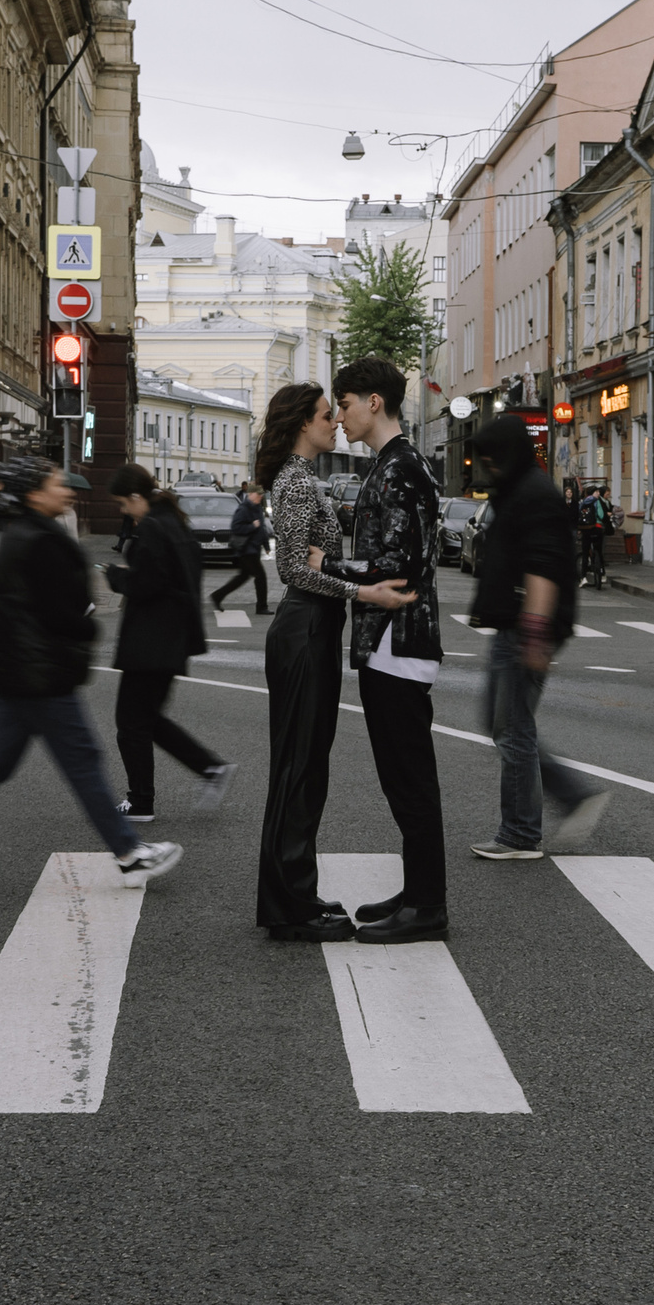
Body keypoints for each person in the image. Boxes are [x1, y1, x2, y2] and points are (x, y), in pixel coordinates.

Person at [0, 459, 182, 894]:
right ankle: (130, 854)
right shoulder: (39, 541)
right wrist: (86, 620)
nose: (67, 489)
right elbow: (62, 612)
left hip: (20, 675)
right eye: (57, 483)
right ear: (36, 493)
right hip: (41, 675)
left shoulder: (23, 534)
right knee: (82, 765)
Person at [252, 384, 408, 941]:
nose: (335, 423)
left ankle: (291, 894)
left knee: (305, 769)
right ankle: (289, 908)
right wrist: (365, 593)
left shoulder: (301, 479)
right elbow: (294, 570)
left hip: (313, 630)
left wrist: (340, 567)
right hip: (304, 630)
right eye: (326, 415)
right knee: (298, 770)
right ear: (301, 424)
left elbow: (315, 561)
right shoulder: (295, 482)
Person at [322, 357, 448, 943]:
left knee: (409, 779)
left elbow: (395, 567)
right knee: (403, 776)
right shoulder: (395, 464)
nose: (339, 417)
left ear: (374, 402)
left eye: (344, 404)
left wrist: (327, 565)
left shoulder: (400, 469)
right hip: (392, 641)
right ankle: (417, 893)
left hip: (398, 641)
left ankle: (427, 908)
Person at [463, 414, 608, 861]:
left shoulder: (533, 494)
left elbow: (543, 569)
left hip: (527, 626)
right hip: (516, 623)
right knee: (502, 723)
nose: (487, 465)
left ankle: (521, 834)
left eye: (491, 456)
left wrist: (535, 634)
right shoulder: (519, 489)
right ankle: (568, 797)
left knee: (512, 729)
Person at [103, 463, 232, 822]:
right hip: (171, 639)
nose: (123, 511)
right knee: (148, 720)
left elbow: (148, 584)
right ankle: (209, 768)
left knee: (130, 724)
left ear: (134, 497)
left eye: (123, 504)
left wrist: (115, 577)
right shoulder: (174, 522)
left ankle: (141, 801)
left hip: (150, 642)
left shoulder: (156, 528)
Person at [211, 484, 271, 614]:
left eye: (261, 494)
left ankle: (217, 596)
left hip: (253, 549)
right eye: (258, 494)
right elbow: (236, 528)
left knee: (243, 577)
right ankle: (262, 607)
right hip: (246, 550)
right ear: (251, 494)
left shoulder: (257, 508)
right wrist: (252, 526)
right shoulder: (244, 509)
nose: (260, 497)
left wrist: (266, 545)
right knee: (260, 577)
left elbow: (262, 529)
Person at [576, 484, 615, 587]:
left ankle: (583, 577)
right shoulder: (596, 501)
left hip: (585, 529)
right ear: (593, 493)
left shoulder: (583, 501)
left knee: (585, 552)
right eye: (597, 492)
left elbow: (578, 514)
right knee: (598, 549)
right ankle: (601, 570)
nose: (598, 494)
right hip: (596, 528)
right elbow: (601, 515)